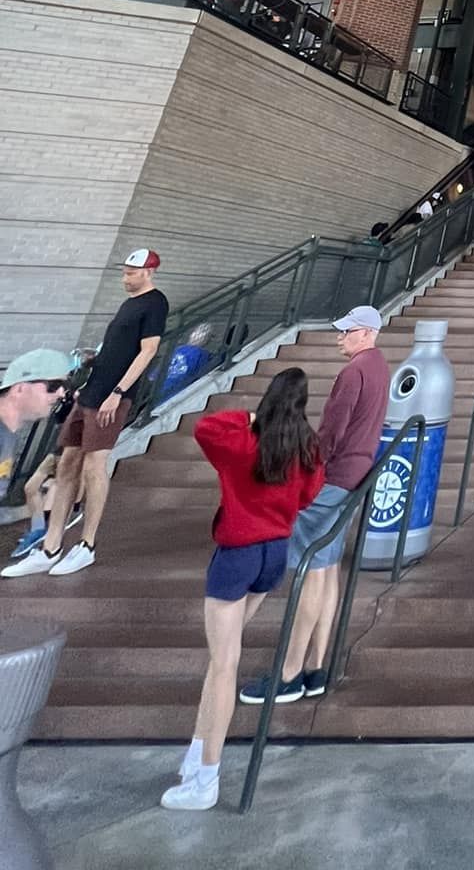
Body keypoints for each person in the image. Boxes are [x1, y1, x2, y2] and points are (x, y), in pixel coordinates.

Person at [161, 368, 325, 810]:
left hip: (237, 556)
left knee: (223, 664)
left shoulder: (243, 442)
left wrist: (252, 416)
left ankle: (207, 779)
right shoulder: (306, 448)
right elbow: (308, 497)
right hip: (275, 554)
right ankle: (197, 753)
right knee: (222, 661)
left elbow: (205, 427)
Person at [238, 305, 390, 708]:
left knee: (310, 570)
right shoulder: (379, 367)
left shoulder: (353, 373)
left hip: (334, 478)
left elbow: (332, 432)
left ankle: (289, 675)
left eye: (346, 332)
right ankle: (316, 667)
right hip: (356, 473)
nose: (340, 338)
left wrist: (308, 470)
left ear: (365, 333)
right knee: (329, 566)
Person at [5, 249, 167, 579]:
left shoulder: (155, 303)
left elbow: (148, 351)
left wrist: (118, 392)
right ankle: (50, 547)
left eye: (131, 273)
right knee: (67, 464)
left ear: (148, 272)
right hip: (91, 393)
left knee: (95, 466)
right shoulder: (128, 304)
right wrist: (94, 361)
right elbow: (120, 348)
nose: (125, 278)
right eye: (124, 272)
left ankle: (86, 545)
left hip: (112, 397)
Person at [0, 350, 71, 526]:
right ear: (19, 388)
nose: (61, 393)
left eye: (65, 386)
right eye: (53, 385)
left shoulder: (8, 436)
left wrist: (33, 508)